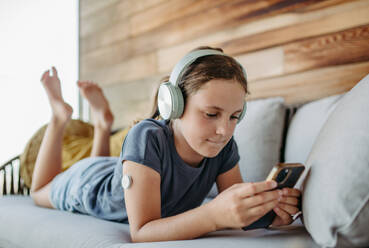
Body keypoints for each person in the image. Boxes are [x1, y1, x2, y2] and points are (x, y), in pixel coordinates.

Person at [31, 47, 301, 243]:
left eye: (234, 117)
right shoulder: (146, 136)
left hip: (124, 172)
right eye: (210, 114)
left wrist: (270, 213)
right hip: (89, 183)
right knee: (38, 192)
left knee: (112, 172)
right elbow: (142, 232)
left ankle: (103, 123)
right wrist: (213, 215)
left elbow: (236, 209)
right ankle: (60, 117)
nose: (224, 130)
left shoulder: (223, 146)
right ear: (173, 106)